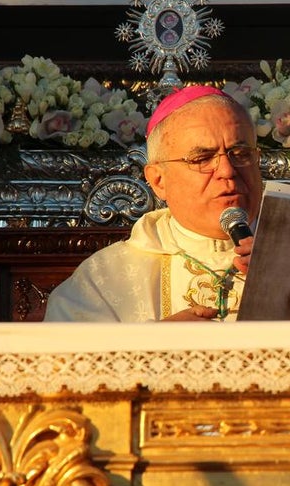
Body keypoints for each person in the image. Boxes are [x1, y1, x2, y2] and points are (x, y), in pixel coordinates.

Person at [44, 85, 262, 321]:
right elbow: (58, 356)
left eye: (240, 154)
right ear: (159, 180)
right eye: (202, 158)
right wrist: (153, 346)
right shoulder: (101, 282)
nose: (227, 171)